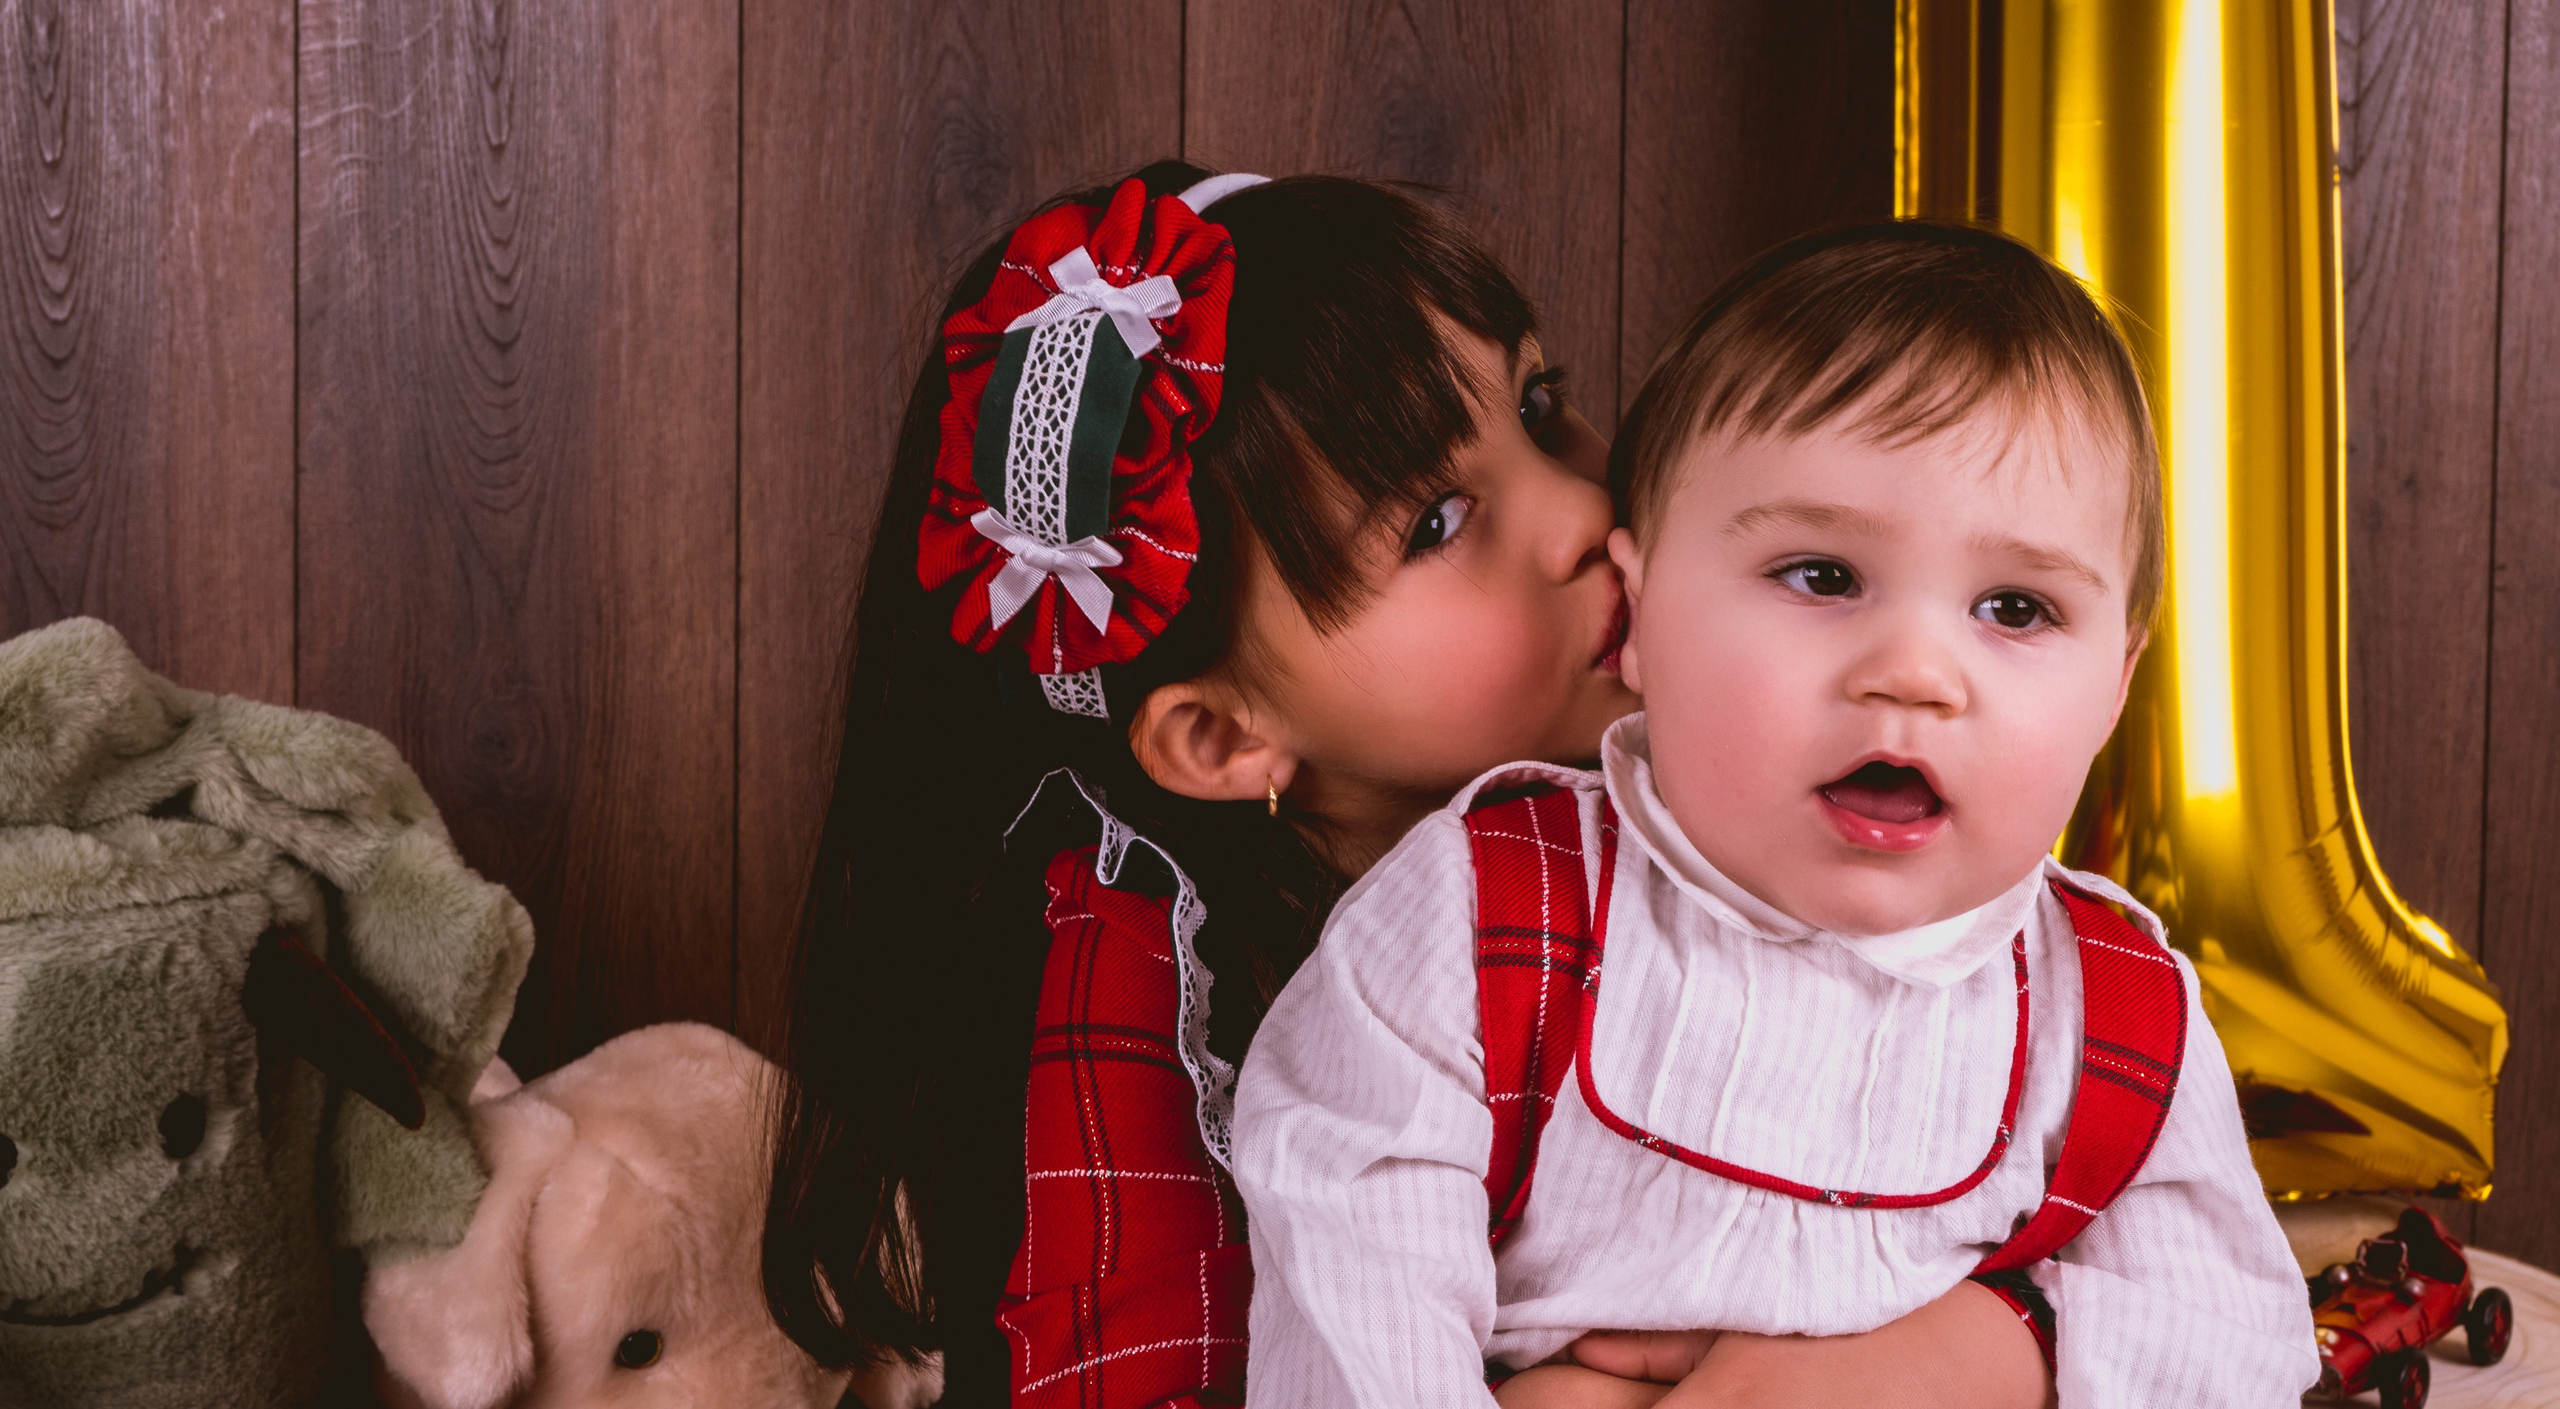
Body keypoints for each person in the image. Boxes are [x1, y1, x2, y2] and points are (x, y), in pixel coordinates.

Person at [761, 172, 2056, 1409]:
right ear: (1218, 734)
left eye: (1544, 405)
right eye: (1436, 520)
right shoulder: (1144, 978)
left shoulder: (1747, 785)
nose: (1578, 511)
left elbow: (2087, 1143)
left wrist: (1980, 1342)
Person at [1231, 222, 2322, 1408]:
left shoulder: (2111, 1012)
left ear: (2117, 683)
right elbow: (1356, 1286)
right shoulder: (1477, 917)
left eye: (2014, 606)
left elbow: (2227, 1341)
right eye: (1820, 575)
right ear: (1637, 614)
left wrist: (1964, 1366)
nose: (1914, 671)